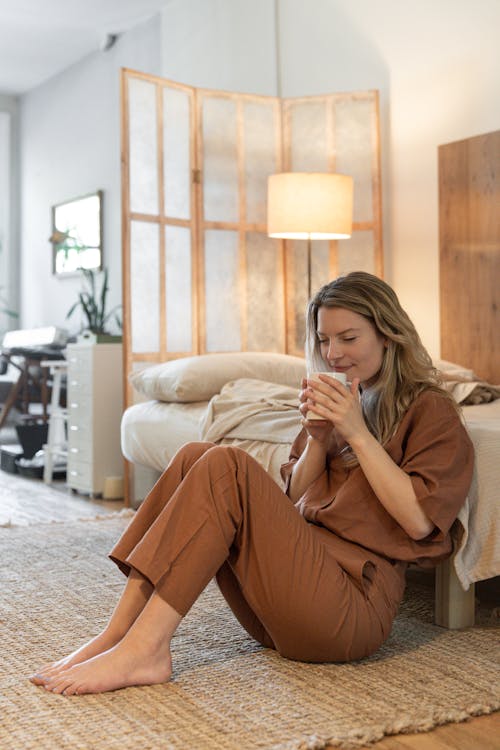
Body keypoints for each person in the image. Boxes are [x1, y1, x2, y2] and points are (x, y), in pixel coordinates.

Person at [30, 271, 474, 696]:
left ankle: (146, 649)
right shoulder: (342, 395)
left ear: (388, 333)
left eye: (349, 337)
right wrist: (319, 441)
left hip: (349, 612)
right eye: (323, 339)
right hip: (283, 601)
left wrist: (356, 432)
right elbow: (293, 500)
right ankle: (119, 635)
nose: (333, 352)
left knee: (228, 465)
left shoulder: (429, 410)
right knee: (195, 456)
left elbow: (419, 523)